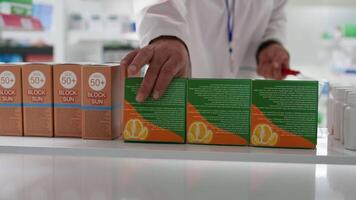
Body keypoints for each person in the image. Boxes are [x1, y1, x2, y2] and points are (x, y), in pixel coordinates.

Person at [120, 0, 290, 102]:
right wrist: (167, 35)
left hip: (244, 97)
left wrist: (270, 42)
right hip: (186, 87)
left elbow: (276, 11)